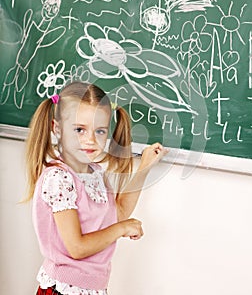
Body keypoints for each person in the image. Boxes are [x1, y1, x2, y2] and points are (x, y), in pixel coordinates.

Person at [25, 81, 168, 295]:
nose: (90, 140)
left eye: (99, 131)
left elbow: (116, 214)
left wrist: (144, 167)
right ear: (57, 128)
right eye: (80, 130)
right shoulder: (59, 178)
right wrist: (121, 229)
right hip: (64, 290)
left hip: (92, 288)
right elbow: (77, 248)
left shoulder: (95, 173)